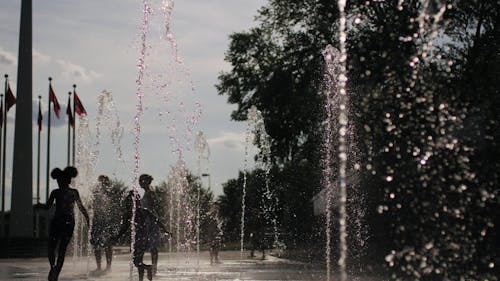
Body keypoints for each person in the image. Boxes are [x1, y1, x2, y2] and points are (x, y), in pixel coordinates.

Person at [37, 166, 89, 281]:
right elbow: (81, 208)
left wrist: (39, 206)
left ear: (67, 181)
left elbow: (47, 207)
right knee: (59, 249)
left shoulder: (59, 192)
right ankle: (54, 270)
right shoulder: (67, 192)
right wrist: (87, 219)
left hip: (61, 222)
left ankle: (54, 270)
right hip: (67, 222)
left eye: (60, 181)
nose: (59, 183)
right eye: (58, 181)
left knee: (55, 248)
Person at [114, 190, 169, 281]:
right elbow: (157, 220)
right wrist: (165, 230)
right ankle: (141, 278)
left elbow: (123, 229)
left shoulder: (129, 214)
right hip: (144, 238)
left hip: (137, 240)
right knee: (139, 261)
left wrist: (116, 237)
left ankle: (148, 268)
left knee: (136, 262)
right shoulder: (144, 211)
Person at [90, 175, 121, 272]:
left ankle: (108, 266)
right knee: (96, 245)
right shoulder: (95, 194)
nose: (102, 183)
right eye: (101, 182)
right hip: (97, 222)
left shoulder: (110, 194)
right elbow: (91, 208)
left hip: (106, 222)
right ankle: (99, 266)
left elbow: (113, 209)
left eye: (104, 182)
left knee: (108, 245)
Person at [138, 174, 161, 275]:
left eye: (141, 180)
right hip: (146, 220)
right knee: (147, 244)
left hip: (151, 220)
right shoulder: (147, 192)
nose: (139, 182)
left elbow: (154, 205)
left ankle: (154, 267)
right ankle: (146, 266)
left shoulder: (150, 192)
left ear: (146, 181)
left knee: (153, 245)